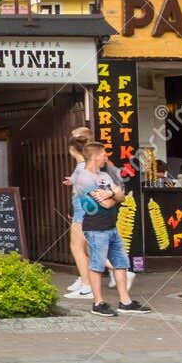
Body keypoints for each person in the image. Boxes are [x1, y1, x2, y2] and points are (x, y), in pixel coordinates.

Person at [72, 142, 152, 317]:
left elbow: (122, 196)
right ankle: (98, 303)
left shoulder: (104, 176)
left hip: (111, 226)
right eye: (103, 154)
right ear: (95, 156)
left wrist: (112, 194)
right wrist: (113, 193)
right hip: (96, 228)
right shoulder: (84, 178)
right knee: (97, 265)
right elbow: (108, 203)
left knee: (121, 263)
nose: (106, 157)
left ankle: (125, 302)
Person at [62, 127, 128, 300]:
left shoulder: (84, 167)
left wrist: (109, 197)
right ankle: (102, 276)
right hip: (88, 212)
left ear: (72, 149)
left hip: (84, 213)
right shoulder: (88, 168)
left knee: (79, 247)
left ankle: (87, 285)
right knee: (90, 249)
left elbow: (91, 193)